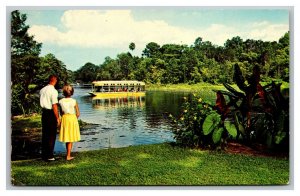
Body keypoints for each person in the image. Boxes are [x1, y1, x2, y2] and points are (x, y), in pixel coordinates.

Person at [39, 75, 60, 161]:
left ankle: (45, 154)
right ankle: (50, 155)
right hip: (50, 113)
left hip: (44, 113)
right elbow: (54, 105)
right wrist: (57, 118)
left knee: (45, 134)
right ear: (55, 81)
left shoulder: (42, 90)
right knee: (51, 134)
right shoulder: (53, 91)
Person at [59, 84, 81, 161]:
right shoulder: (74, 101)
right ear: (72, 92)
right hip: (72, 118)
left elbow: (61, 112)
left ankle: (68, 154)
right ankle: (68, 155)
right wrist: (74, 118)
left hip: (65, 118)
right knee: (70, 137)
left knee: (67, 137)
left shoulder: (60, 101)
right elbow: (78, 113)